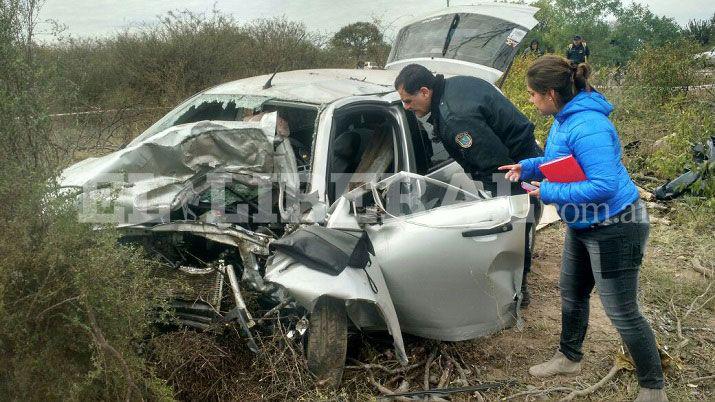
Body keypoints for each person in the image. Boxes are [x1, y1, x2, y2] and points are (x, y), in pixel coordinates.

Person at [498, 55, 666, 402]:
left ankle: (653, 388)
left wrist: (549, 192)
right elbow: (560, 161)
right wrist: (528, 166)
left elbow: (603, 185)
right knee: (572, 292)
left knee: (622, 311)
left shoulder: (588, 125)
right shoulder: (564, 117)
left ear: (550, 93)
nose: (530, 100)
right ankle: (569, 358)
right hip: (583, 222)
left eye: (532, 94)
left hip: (615, 226)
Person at [394, 64, 543, 307]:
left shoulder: (455, 120)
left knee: (513, 228)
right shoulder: (456, 84)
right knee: (522, 224)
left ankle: (515, 292)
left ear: (424, 91)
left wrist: (492, 199)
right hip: (525, 157)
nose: (406, 108)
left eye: (408, 101)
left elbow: (494, 164)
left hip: (512, 171)